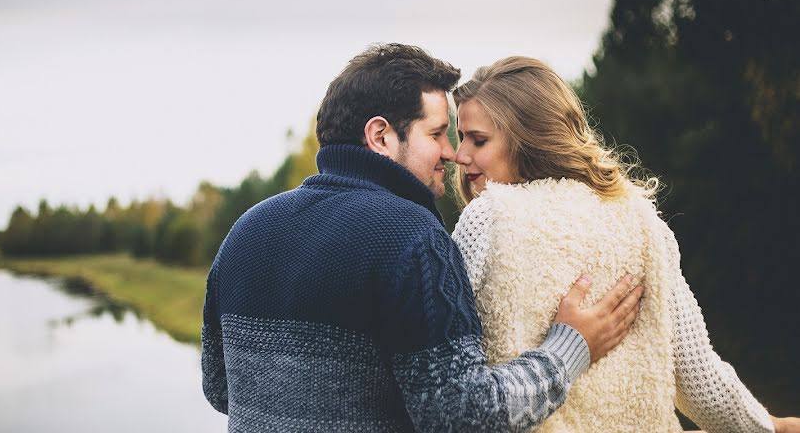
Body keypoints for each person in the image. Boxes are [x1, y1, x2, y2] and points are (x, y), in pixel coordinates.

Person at [201, 44, 643, 432]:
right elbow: (462, 417)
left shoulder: (246, 230)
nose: (451, 153)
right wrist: (569, 350)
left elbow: (219, 388)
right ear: (380, 136)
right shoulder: (410, 238)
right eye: (436, 134)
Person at [451, 56, 800, 433]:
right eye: (461, 137)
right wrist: (770, 427)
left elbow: (444, 378)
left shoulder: (485, 219)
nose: (459, 155)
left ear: (530, 137)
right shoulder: (641, 220)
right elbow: (700, 381)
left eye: (478, 140)